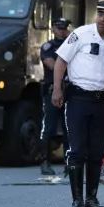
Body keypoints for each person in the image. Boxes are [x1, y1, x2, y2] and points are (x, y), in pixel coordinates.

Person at [52, 1, 104, 207]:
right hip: (78, 99)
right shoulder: (81, 34)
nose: (103, 18)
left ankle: (92, 198)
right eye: (100, 13)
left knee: (96, 151)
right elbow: (61, 61)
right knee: (78, 150)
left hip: (101, 101)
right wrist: (57, 89)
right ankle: (77, 200)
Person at [39, 18, 71, 175]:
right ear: (53, 29)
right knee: (49, 128)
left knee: (69, 129)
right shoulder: (48, 46)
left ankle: (68, 163)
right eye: (60, 28)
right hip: (52, 90)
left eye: (65, 28)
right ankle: (44, 161)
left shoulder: (72, 45)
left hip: (68, 91)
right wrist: (66, 65)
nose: (63, 31)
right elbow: (52, 65)